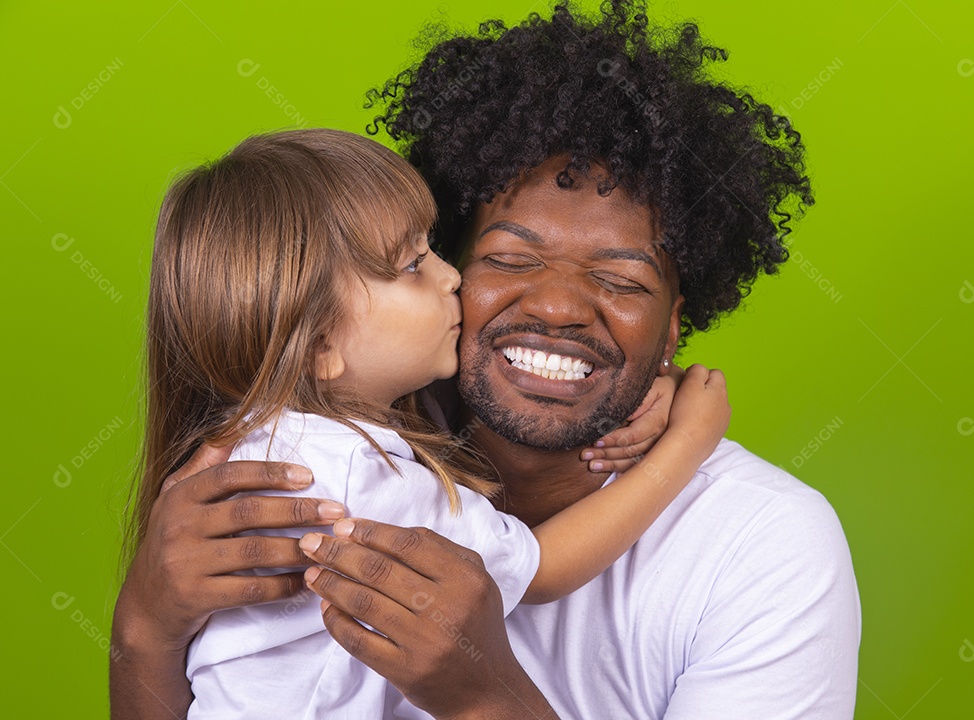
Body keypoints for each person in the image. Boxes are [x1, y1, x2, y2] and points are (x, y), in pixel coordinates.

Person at [111, 2, 861, 718]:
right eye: (506, 258)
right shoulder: (369, 456)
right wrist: (145, 623)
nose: (560, 307)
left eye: (621, 281)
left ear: (672, 331)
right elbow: (543, 568)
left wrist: (486, 698)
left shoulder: (766, 546)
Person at [125, 127, 728, 718]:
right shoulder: (360, 474)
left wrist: (652, 377)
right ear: (321, 346)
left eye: (620, 282)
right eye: (415, 265)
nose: (452, 277)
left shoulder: (264, 435)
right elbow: (543, 569)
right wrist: (686, 444)